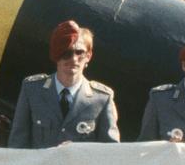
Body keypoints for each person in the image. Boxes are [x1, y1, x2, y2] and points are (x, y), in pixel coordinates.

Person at [8, 20, 119, 148]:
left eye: (80, 52)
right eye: (66, 53)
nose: (73, 59)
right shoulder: (32, 90)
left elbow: (111, 152)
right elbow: (17, 144)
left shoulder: (101, 98)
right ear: (56, 55)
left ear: (88, 56)